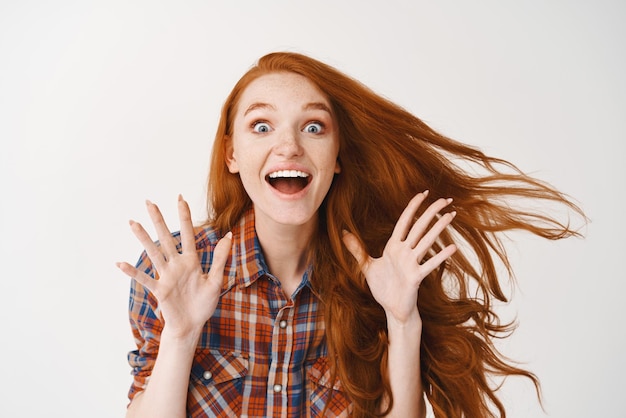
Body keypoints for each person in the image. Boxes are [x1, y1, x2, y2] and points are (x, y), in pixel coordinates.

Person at [116, 52, 584, 418]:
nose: (289, 146)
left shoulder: (379, 274)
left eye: (314, 127)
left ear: (336, 155)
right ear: (231, 154)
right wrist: (181, 334)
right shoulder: (175, 270)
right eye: (262, 125)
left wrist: (402, 321)